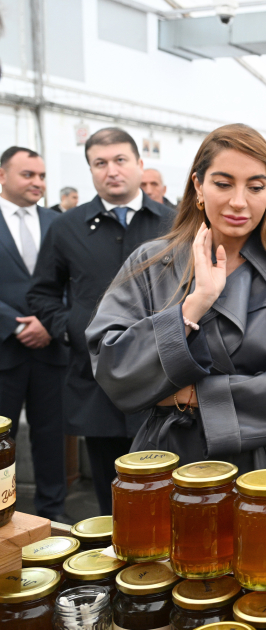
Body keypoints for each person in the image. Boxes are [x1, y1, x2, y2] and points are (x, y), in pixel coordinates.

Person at [85, 124, 266, 473]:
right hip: (164, 463)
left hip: (261, 473)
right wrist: (193, 305)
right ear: (198, 185)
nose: (238, 201)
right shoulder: (152, 263)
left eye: (255, 187)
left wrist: (192, 396)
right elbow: (113, 366)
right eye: (223, 183)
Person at [28, 127, 174, 515]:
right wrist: (72, 328)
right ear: (90, 170)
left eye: (120, 160)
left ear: (140, 164)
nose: (112, 171)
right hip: (98, 382)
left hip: (165, 379)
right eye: (100, 163)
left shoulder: (174, 225)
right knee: (114, 500)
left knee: (166, 493)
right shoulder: (66, 228)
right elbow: (42, 293)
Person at [0, 146, 70, 523]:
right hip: (4, 350)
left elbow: (73, 279)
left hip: (50, 348)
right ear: (2, 176)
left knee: (51, 438)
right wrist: (14, 324)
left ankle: (53, 515)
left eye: (42, 176)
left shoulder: (59, 223)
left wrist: (50, 323)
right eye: (28, 175)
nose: (38, 183)